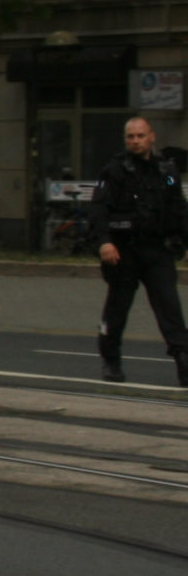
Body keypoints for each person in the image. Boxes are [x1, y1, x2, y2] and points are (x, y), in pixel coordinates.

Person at [88, 115, 188, 386]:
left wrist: (181, 238)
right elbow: (98, 208)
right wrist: (104, 242)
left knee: (170, 308)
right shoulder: (114, 171)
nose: (135, 141)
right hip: (124, 251)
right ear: (126, 140)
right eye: (131, 136)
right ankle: (111, 360)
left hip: (157, 251)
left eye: (140, 136)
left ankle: (183, 359)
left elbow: (177, 205)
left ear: (152, 137)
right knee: (117, 310)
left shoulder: (166, 173)